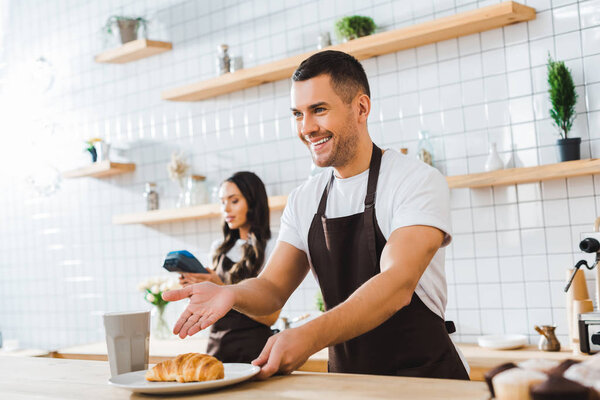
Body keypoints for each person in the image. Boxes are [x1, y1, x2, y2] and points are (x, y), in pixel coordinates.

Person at [163, 50, 470, 380]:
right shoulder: (304, 199)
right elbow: (271, 288)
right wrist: (230, 293)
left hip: (427, 383)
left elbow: (396, 285)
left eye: (319, 110)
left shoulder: (416, 181)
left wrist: (307, 336)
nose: (306, 127)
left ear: (361, 108)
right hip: (348, 383)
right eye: (297, 114)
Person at [178, 171, 279, 363]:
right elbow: (212, 311)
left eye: (234, 201)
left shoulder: (274, 244)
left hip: (255, 352)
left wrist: (222, 289)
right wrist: (197, 291)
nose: (226, 209)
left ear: (253, 201)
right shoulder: (218, 248)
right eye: (222, 202)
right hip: (217, 349)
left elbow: (270, 317)